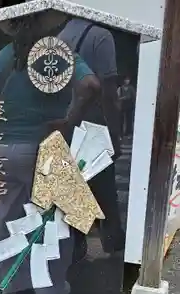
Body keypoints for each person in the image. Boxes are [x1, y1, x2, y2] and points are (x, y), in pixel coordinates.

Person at [0, 12, 100, 294]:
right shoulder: (55, 52)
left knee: (9, 218)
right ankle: (49, 289)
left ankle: (10, 283)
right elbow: (90, 85)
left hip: (6, 150)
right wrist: (69, 119)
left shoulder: (2, 57)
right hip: (47, 146)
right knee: (53, 219)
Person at [58, 19, 125, 255]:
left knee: (75, 188)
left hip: (67, 124)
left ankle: (76, 248)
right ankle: (114, 250)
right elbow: (108, 93)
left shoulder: (61, 36)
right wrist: (115, 134)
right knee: (105, 189)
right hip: (94, 125)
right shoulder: (101, 36)